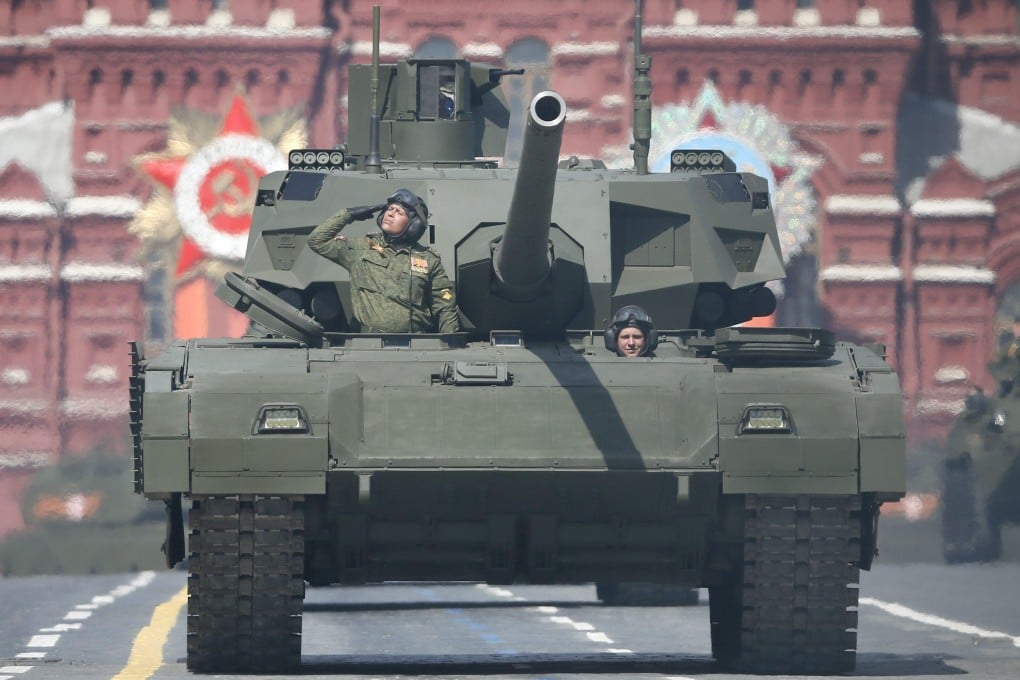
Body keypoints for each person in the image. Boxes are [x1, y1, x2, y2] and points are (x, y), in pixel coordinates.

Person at [307, 189, 460, 333]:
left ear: (413, 224)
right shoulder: (361, 248)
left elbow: (445, 304)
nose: (390, 214)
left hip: (415, 344)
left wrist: (450, 341)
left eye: (399, 212)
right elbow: (316, 241)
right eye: (389, 209)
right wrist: (349, 215)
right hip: (367, 344)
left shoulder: (428, 259)